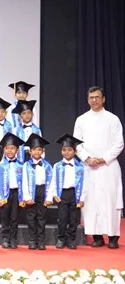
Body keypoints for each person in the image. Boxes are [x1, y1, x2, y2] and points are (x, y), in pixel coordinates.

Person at [73, 86, 124, 249]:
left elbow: (119, 143)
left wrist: (104, 159)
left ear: (103, 99)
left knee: (110, 200)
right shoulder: (81, 120)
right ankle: (96, 236)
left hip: (108, 166)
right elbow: (76, 144)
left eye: (97, 97)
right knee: (91, 200)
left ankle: (113, 236)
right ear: (87, 100)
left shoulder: (113, 119)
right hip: (88, 167)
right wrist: (87, 158)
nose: (94, 100)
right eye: (91, 97)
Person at [48, 133, 85, 250]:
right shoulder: (57, 166)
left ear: (75, 152)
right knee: (62, 218)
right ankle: (61, 238)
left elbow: (85, 184)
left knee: (74, 219)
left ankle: (71, 239)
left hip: (75, 194)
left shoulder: (81, 167)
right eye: (64, 150)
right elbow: (53, 181)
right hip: (62, 194)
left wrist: (82, 198)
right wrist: (54, 194)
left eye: (69, 150)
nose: (67, 152)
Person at [0, 132, 27, 249]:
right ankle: (5, 238)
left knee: (15, 217)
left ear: (17, 150)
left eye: (12, 148)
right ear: (4, 150)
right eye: (7, 148)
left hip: (17, 193)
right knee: (5, 217)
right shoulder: (0, 165)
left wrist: (24, 197)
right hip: (4, 193)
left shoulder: (22, 165)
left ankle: (13, 238)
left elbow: (25, 182)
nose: (9, 151)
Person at [22, 133, 53, 250]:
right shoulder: (26, 165)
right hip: (31, 191)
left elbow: (51, 182)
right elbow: (24, 181)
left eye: (39, 149)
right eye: (34, 149)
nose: (36, 152)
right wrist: (26, 196)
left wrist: (49, 197)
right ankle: (32, 240)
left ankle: (41, 241)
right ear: (30, 151)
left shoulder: (47, 166)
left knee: (41, 217)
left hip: (42, 191)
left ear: (43, 151)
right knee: (31, 217)